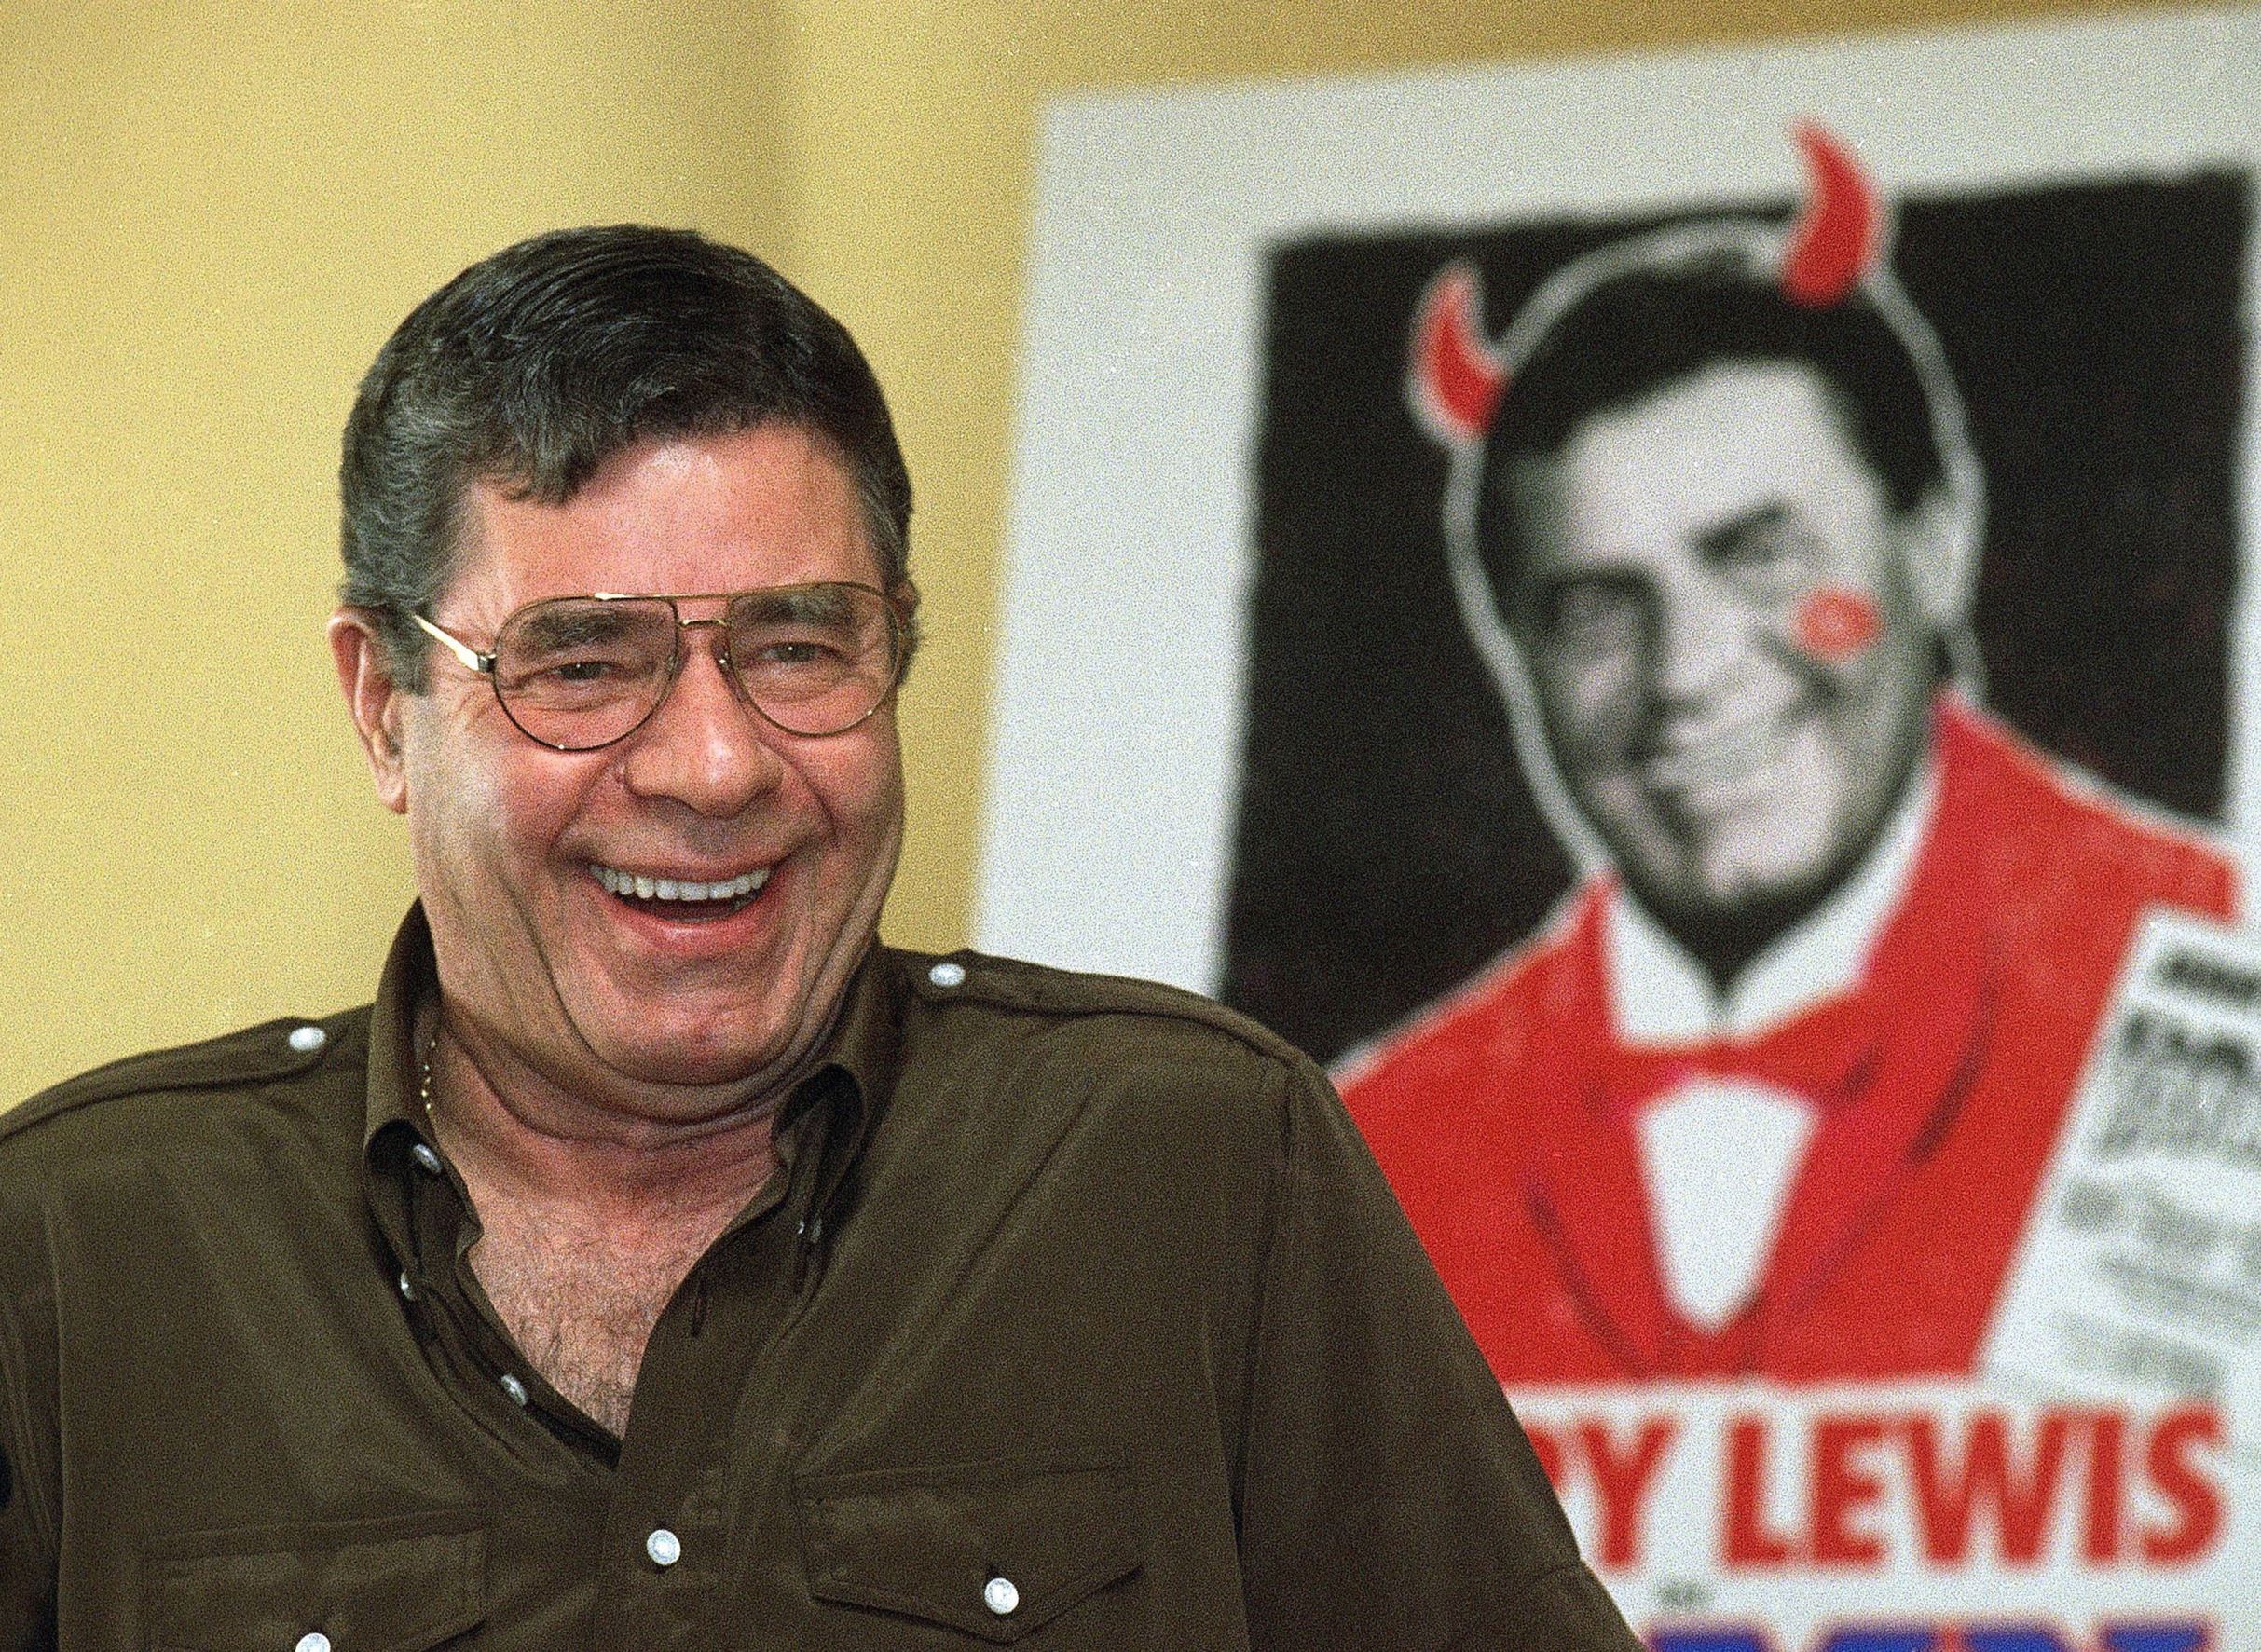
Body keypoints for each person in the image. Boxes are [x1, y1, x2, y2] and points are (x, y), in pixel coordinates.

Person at [0, 227, 1637, 1648]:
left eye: (796, 645)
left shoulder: (1193, 1166)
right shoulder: (80, 1255)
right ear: (384, 709)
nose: (714, 766)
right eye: (579, 662)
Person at [1344, 153, 2239, 1386]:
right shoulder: (1368, 1154)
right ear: (1516, 659)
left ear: (1934, 546)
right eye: (1597, 610)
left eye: (1760, 557)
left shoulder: (2208, 972)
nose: (1686, 675)